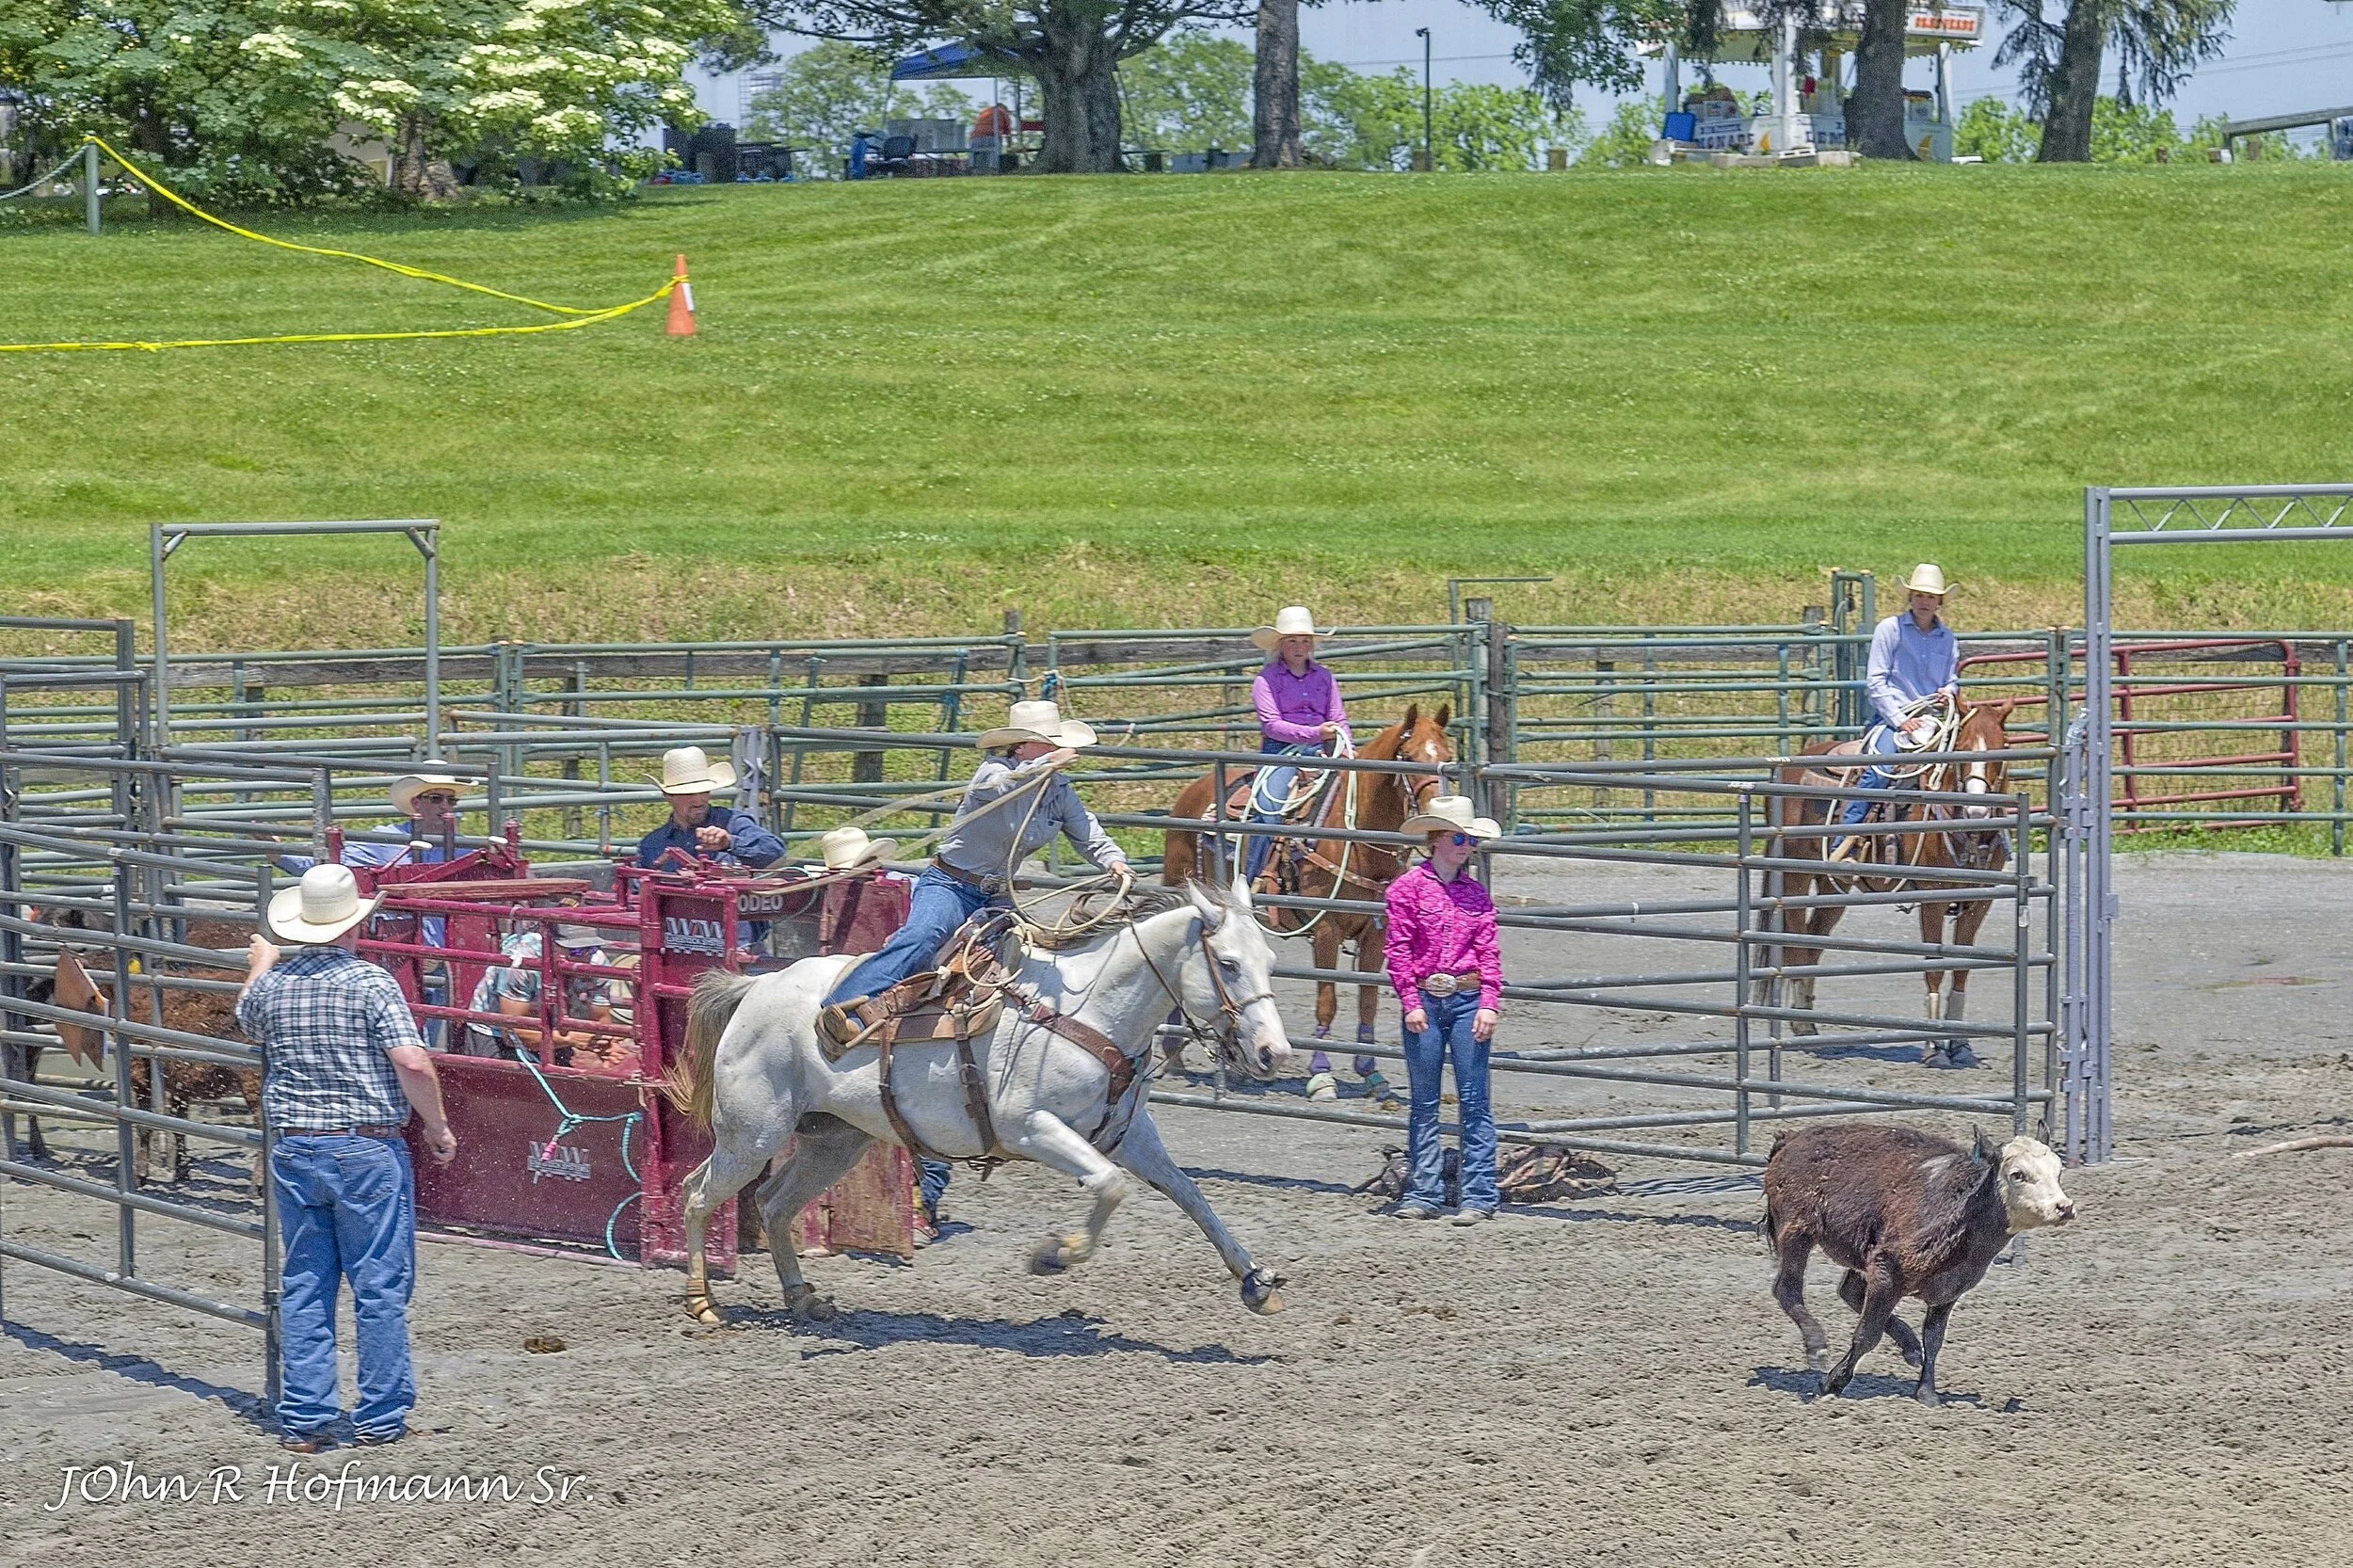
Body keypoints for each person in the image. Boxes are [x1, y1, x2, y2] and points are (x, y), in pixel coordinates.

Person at [819, 699, 1132, 1228]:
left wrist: (1114, 861)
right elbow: (995, 789)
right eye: (1048, 744)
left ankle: (1005, 1060)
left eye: (1059, 746)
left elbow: (1087, 831)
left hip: (997, 894)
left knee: (1025, 965)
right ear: (1024, 745)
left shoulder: (1059, 791)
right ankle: (843, 1008)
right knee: (922, 939)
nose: (1058, 753)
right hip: (952, 884)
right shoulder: (996, 772)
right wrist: (1038, 770)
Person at [236, 864, 458, 1451]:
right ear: (353, 924)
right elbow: (411, 1061)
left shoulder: (273, 988)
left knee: (307, 1280)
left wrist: (261, 965)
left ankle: (306, 1417)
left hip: (295, 1145)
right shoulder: (372, 983)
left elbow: (247, 1018)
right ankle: (381, 1416)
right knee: (379, 1284)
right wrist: (436, 1125)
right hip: (364, 1145)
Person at [1383, 795, 1504, 1225]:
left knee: (1474, 1100)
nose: (1465, 844)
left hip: (1467, 997)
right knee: (1425, 1101)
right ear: (1435, 840)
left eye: (1470, 839)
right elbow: (1397, 951)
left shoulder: (1476, 895)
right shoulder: (1405, 891)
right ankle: (1424, 1191)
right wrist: (1410, 1001)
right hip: (1426, 1000)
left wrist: (1489, 1002)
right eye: (1458, 837)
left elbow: (1489, 952)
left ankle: (1479, 1194)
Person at [1830, 565, 1961, 862]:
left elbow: (1952, 678)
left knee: (1971, 768)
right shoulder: (1890, 629)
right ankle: (1846, 840)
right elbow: (1876, 682)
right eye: (1919, 595)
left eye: (1930, 596)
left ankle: (1975, 841)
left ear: (1939, 602)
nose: (1924, 601)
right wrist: (1901, 720)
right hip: (1896, 718)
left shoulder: (1948, 638)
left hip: (1936, 719)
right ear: (1910, 598)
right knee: (1880, 770)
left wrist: (1949, 692)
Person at [1244, 606, 1353, 885]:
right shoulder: (1266, 680)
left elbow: (1339, 717)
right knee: (1269, 811)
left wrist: (1348, 750)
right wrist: (1316, 732)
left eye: (1305, 641)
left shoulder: (1325, 677)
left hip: (1323, 750)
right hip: (1280, 752)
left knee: (1355, 801)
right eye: (1292, 640)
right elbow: (1271, 725)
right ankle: (1254, 879)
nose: (1299, 647)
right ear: (1280, 645)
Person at [463, 921, 634, 1075]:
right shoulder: (522, 961)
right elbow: (512, 1033)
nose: (585, 957)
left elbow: (600, 1016)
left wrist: (605, 1044)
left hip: (552, 1027)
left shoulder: (597, 961)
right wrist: (571, 1039)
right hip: (494, 1031)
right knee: (499, 1087)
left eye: (591, 948)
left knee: (562, 1085)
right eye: (576, 951)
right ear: (550, 943)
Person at [637, 746, 786, 872]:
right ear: (669, 796)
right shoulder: (651, 845)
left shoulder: (732, 822)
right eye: (688, 793)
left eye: (704, 791)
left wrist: (730, 842)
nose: (698, 800)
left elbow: (777, 853)